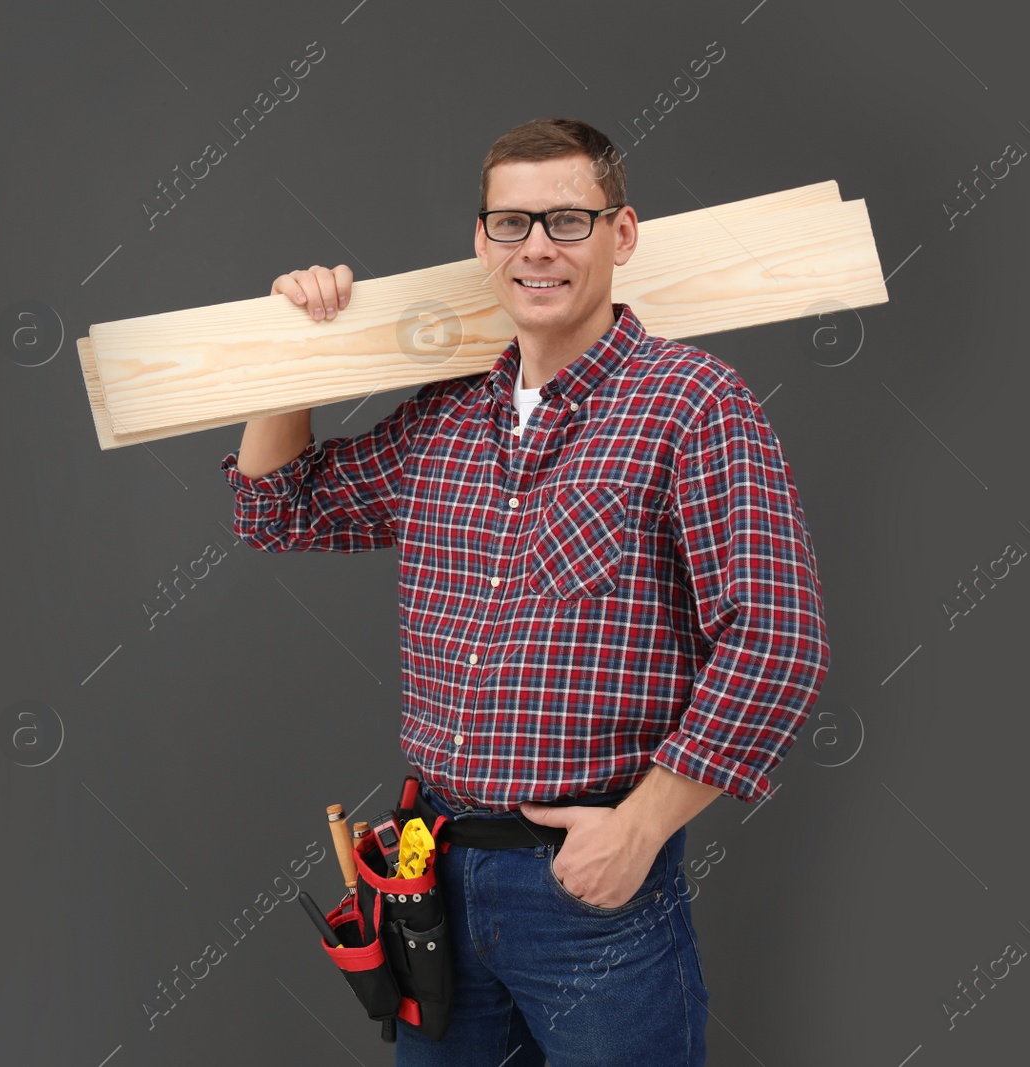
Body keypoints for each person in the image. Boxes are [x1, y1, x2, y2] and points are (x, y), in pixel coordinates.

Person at [219, 117, 830, 1065]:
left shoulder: (693, 404)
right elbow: (278, 512)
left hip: (589, 890)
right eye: (511, 222)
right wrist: (292, 353)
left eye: (567, 220)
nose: (536, 245)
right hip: (431, 878)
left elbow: (778, 638)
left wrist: (640, 829)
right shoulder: (448, 417)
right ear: (481, 242)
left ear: (621, 235)